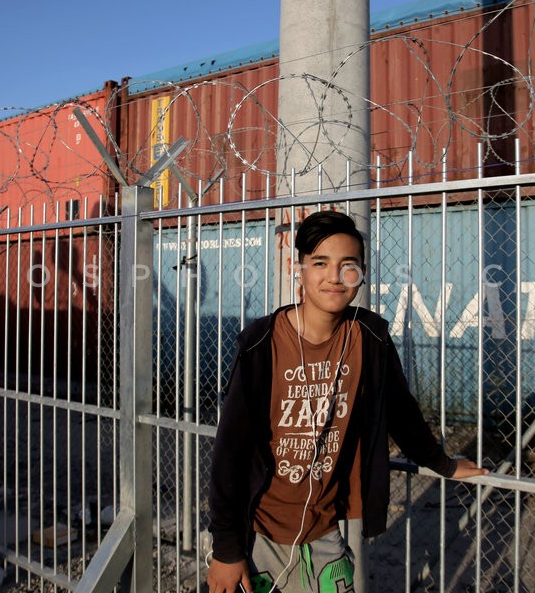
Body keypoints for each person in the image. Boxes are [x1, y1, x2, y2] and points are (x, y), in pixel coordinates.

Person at [207, 209, 487, 593]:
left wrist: (443, 464)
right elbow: (230, 454)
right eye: (320, 263)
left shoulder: (369, 339)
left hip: (326, 532)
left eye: (348, 265)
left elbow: (401, 412)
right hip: (259, 535)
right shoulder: (262, 343)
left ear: (362, 272)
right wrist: (226, 550)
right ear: (299, 268)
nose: (334, 276)